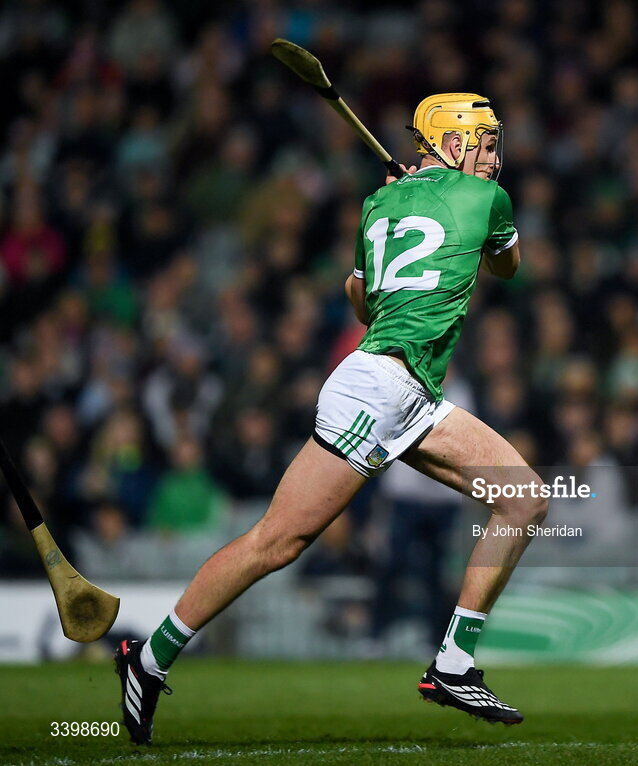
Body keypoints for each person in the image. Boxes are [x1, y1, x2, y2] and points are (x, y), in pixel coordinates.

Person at [115, 93, 544, 743]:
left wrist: (418, 202)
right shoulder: (487, 201)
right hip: (376, 390)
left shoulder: (378, 204)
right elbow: (507, 267)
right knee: (276, 543)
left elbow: (360, 300)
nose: (495, 157)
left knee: (523, 498)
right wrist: (450, 210)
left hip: (409, 392)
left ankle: (453, 664)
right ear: (451, 145)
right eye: (484, 145)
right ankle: (146, 661)